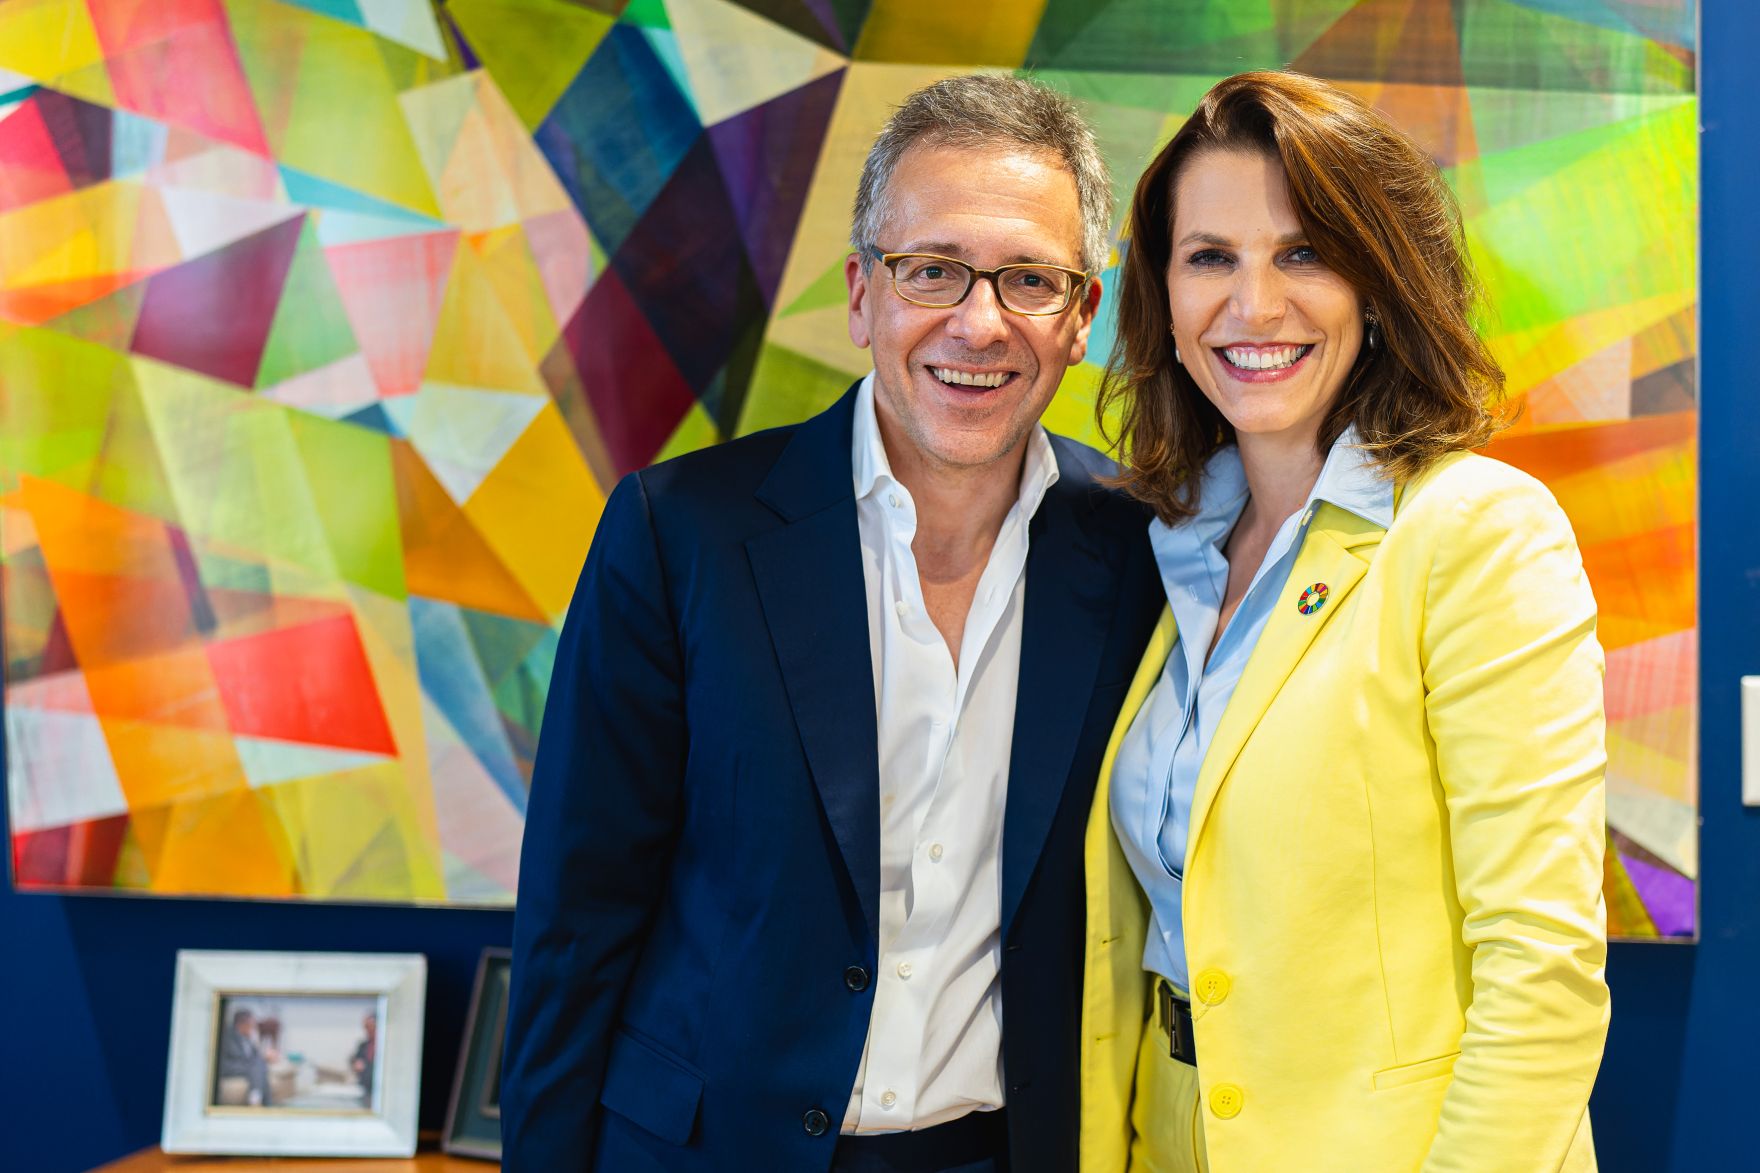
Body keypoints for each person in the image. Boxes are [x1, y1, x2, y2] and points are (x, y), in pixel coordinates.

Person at [502, 75, 1165, 1173]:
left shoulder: (1140, 553)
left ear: (1081, 315)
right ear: (863, 294)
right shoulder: (680, 536)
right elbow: (577, 921)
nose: (978, 321)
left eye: (1028, 280)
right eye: (931, 271)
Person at [1078, 71, 1609, 1172]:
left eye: (1303, 254)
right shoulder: (1158, 547)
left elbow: (1539, 966)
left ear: (1377, 281)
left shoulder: (1475, 532)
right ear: (1162, 296)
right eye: (1208, 257)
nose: (1252, 306)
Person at [217, 1008, 274, 1108]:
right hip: (229, 1067)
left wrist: (265, 1056)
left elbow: (254, 1055)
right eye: (251, 1024)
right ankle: (260, 1102)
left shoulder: (246, 1037)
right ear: (241, 1024)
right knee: (257, 1066)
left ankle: (259, 1100)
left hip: (243, 1065)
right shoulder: (229, 1035)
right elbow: (238, 1056)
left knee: (260, 1065)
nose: (253, 1027)